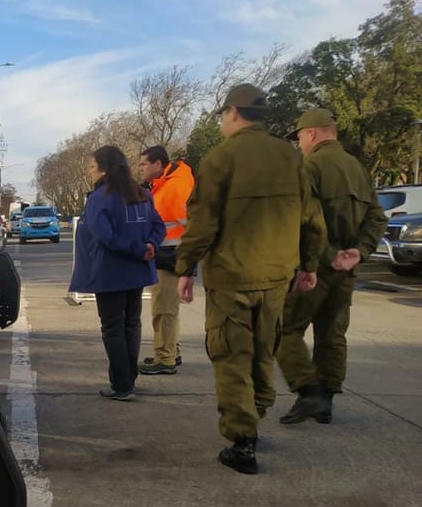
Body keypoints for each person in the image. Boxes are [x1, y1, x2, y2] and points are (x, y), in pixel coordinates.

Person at [174, 84, 327, 475]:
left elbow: (202, 223)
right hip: (278, 275)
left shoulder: (220, 159)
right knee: (264, 349)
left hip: (232, 277)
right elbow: (312, 218)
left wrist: (185, 267)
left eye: (223, 116)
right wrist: (308, 266)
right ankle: (256, 413)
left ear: (232, 112)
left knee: (230, 355)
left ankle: (243, 440)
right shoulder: (290, 158)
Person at [275, 108, 388, 425]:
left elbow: (300, 220)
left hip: (314, 267)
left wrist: (324, 257)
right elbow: (378, 218)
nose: (299, 144)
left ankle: (308, 391)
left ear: (311, 133)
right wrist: (358, 252)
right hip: (347, 269)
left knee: (285, 329)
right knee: (332, 334)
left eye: (298, 137)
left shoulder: (310, 167)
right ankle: (324, 400)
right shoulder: (358, 169)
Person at [70, 145, 165, 401]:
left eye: (92, 167)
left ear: (104, 169)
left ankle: (121, 385)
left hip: (110, 272)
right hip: (137, 271)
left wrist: (138, 249)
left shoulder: (100, 198)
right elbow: (158, 225)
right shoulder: (142, 194)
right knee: (131, 324)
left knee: (113, 327)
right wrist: (149, 247)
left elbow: (105, 237)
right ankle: (129, 379)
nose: (90, 172)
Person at [137, 146, 195, 375]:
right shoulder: (166, 184)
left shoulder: (175, 187)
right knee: (168, 308)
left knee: (163, 309)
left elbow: (186, 225)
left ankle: (165, 358)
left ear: (158, 164)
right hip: (170, 254)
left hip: (171, 255)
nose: (140, 168)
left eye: (143, 164)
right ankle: (171, 351)